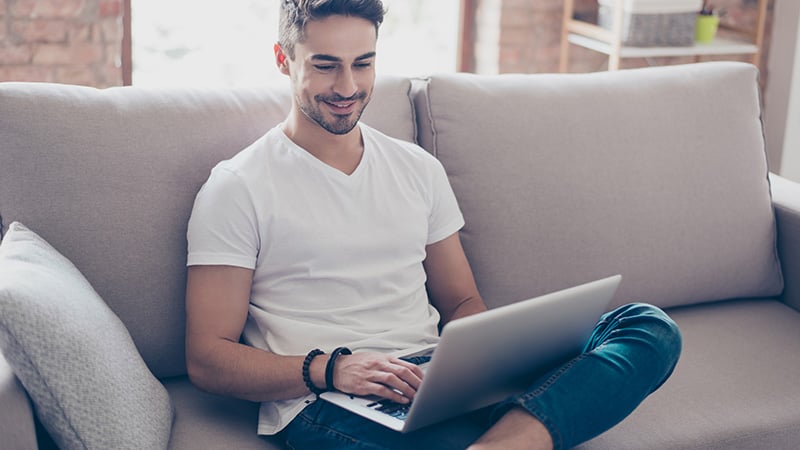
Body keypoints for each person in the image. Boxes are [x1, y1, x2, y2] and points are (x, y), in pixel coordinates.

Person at [184, 1, 682, 449]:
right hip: (327, 400)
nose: (348, 87)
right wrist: (333, 368)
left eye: (363, 63)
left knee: (647, 327)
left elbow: (461, 300)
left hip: (433, 376)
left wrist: (477, 367)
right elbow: (208, 358)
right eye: (325, 65)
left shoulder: (416, 168)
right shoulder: (238, 187)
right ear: (283, 59)